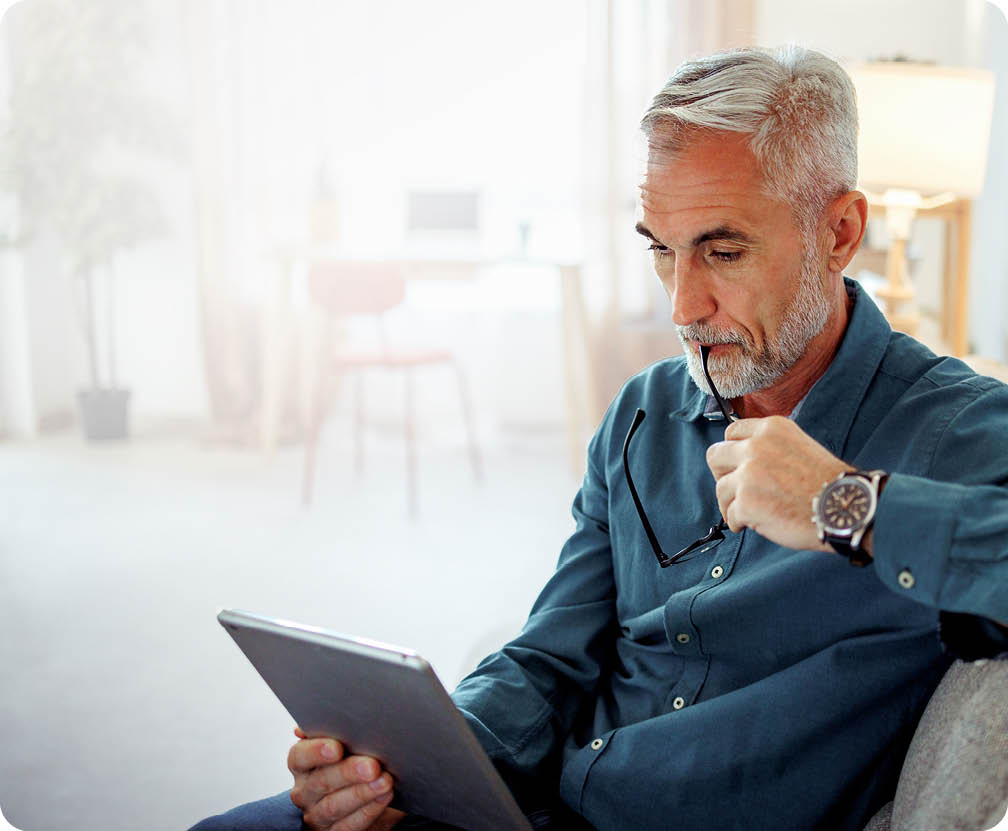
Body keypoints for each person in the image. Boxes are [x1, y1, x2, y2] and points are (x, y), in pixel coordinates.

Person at [190, 45, 1008, 831]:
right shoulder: (642, 414)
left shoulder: (955, 428)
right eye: (662, 252)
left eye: (722, 250)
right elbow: (551, 659)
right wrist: (413, 769)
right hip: (531, 803)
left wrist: (844, 504)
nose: (683, 306)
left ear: (838, 232)